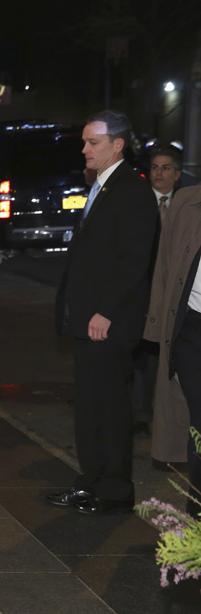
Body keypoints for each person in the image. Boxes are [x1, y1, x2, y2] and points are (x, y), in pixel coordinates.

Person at [49, 110, 158, 516]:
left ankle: (114, 491)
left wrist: (105, 312)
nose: (85, 149)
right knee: (91, 404)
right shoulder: (100, 187)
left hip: (109, 323)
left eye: (93, 142)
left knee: (111, 406)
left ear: (117, 145)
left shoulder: (132, 190)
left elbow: (133, 262)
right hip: (88, 319)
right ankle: (90, 482)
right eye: (84, 142)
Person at [144, 178, 201, 519]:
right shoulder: (186, 203)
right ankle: (196, 522)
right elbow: (163, 268)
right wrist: (155, 325)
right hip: (193, 331)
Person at [132, 147, 183, 436]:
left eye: (165, 168)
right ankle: (141, 413)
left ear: (177, 174)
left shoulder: (187, 205)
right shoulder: (140, 204)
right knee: (145, 357)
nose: (159, 173)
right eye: (154, 167)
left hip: (175, 294)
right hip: (146, 293)